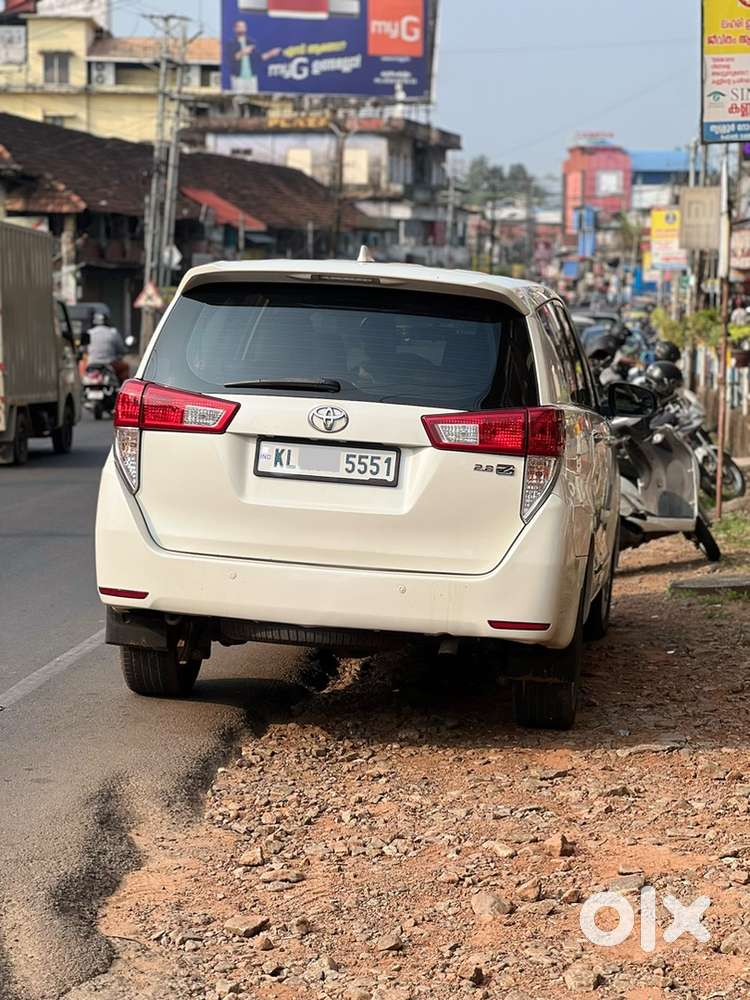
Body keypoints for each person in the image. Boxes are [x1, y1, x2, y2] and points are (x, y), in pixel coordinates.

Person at [87, 312, 129, 383]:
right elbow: (121, 349)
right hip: (110, 364)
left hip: (91, 363)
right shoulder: (113, 332)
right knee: (125, 367)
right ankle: (122, 389)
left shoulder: (89, 333)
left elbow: (83, 348)